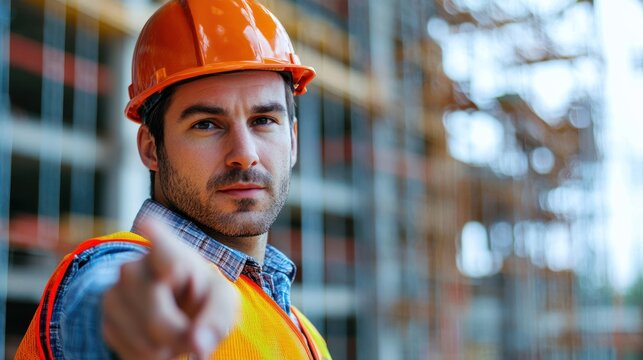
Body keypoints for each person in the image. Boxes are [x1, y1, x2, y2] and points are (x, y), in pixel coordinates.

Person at [15, 0, 330, 359]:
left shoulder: (307, 334)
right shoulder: (126, 274)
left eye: (263, 121)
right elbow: (104, 295)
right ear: (151, 148)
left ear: (293, 140)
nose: (244, 152)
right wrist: (126, 321)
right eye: (206, 124)